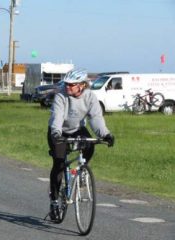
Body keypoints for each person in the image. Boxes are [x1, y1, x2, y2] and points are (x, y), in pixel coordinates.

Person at [47, 69, 114, 222]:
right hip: (58, 131)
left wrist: (105, 134)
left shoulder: (90, 97)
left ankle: (82, 172)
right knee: (59, 163)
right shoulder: (61, 96)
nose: (68, 87)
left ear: (82, 85)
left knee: (90, 146)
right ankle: (54, 201)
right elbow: (57, 116)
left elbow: (96, 117)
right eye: (67, 84)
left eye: (72, 85)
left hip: (77, 129)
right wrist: (56, 133)